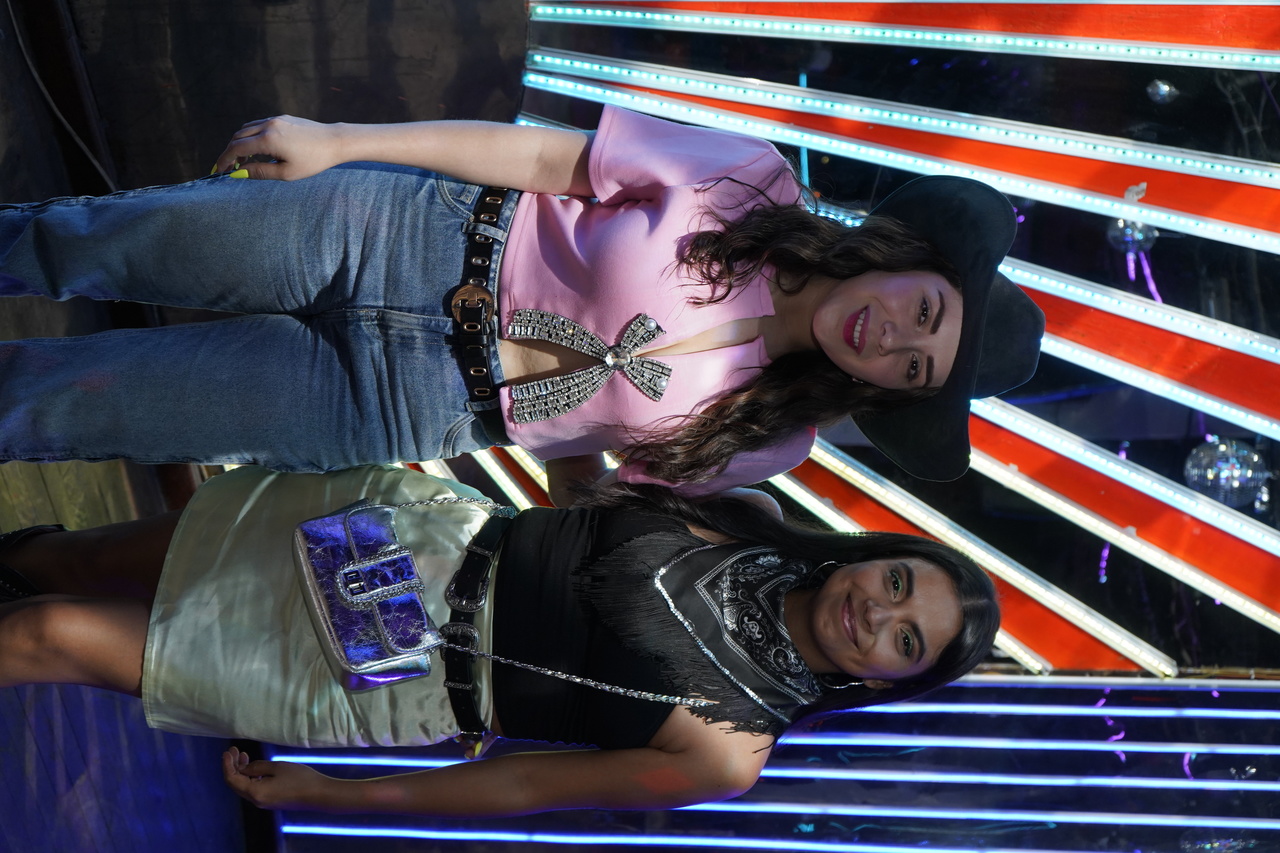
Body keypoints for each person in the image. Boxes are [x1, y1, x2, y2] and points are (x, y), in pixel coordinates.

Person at [0, 107, 1044, 502]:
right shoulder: (749, 181)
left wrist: (587, 499)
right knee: (84, 241)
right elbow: (546, 158)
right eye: (923, 311)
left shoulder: (772, 442)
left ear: (889, 392)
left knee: (63, 410)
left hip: (401, 406)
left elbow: (589, 467)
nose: (891, 339)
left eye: (913, 366)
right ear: (905, 259)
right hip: (396, 234)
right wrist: (342, 141)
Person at [0, 463, 997, 816]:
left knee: (51, 633)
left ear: (887, 680)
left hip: (381, 678)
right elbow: (584, 487)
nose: (878, 613)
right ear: (878, 555)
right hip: (394, 532)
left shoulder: (729, 752)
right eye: (896, 583)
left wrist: (331, 791)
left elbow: (521, 784)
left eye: (906, 641)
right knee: (80, 562)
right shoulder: (747, 514)